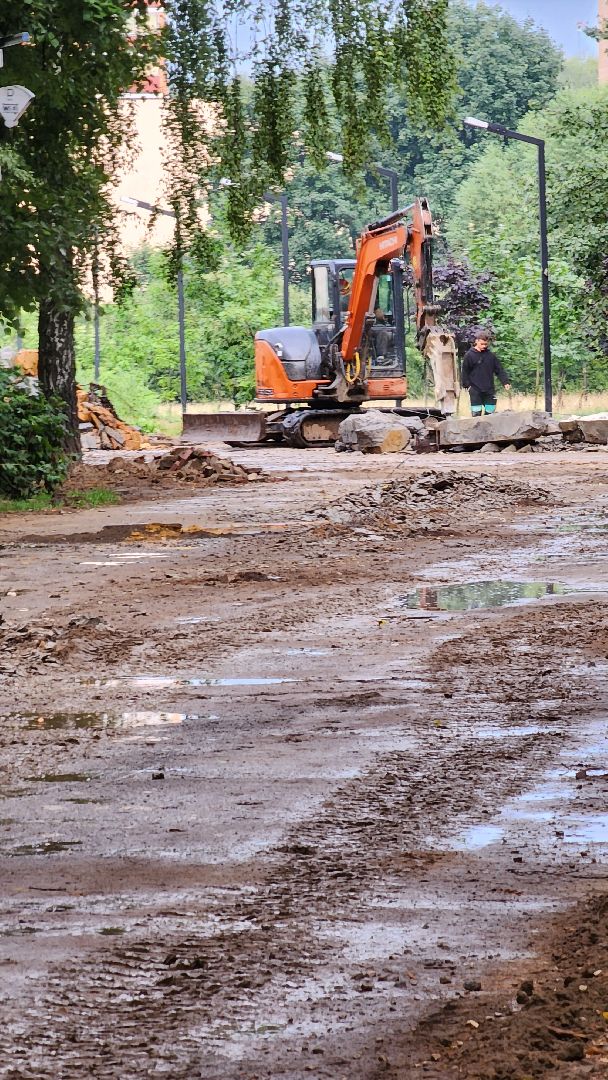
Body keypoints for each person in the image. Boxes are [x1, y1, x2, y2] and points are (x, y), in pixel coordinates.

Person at [461, 334, 511, 416]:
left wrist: (505, 382)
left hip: (489, 388)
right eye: (482, 344)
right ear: (476, 341)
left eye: (486, 344)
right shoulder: (469, 355)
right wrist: (467, 385)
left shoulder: (491, 356)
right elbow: (465, 371)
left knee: (490, 411)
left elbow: (499, 369)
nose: (484, 346)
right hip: (475, 388)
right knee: (476, 413)